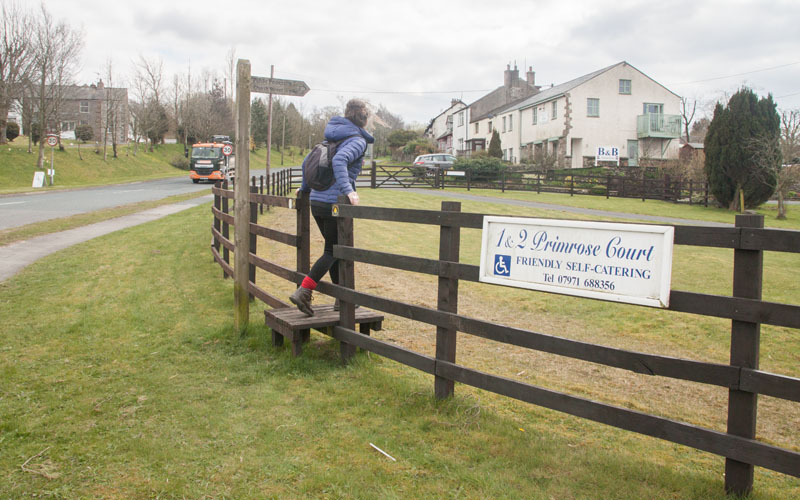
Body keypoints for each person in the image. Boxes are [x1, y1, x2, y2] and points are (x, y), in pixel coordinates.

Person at [289, 99, 374, 316]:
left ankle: (340, 298)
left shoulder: (330, 138)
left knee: (334, 249)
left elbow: (307, 161)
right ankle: (304, 291)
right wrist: (348, 190)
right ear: (364, 119)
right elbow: (340, 161)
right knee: (332, 250)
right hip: (333, 203)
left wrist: (304, 188)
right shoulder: (356, 141)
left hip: (317, 202)